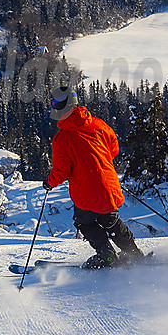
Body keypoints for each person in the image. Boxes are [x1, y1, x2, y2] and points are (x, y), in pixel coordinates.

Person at [43, 86, 144, 268]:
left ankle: (107, 254)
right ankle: (134, 253)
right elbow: (113, 148)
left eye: (55, 104)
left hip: (86, 191)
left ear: (64, 106)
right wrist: (99, 165)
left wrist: (49, 182)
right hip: (109, 184)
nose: (53, 108)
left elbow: (61, 172)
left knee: (84, 221)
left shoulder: (63, 138)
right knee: (111, 221)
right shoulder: (98, 124)